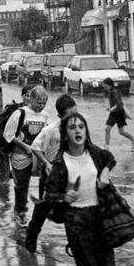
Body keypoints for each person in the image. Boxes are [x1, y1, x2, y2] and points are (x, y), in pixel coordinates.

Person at [44, 112, 118, 266]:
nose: (78, 131)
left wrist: (104, 173)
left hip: (98, 216)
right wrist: (63, 197)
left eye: (81, 127)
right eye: (72, 128)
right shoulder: (61, 163)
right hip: (75, 220)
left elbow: (109, 158)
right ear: (65, 134)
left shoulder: (94, 153)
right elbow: (49, 195)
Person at [24, 94, 77, 253]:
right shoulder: (51, 130)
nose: (74, 118)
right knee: (44, 207)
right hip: (51, 174)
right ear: (60, 116)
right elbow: (35, 147)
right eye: (70, 115)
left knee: (72, 209)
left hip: (70, 174)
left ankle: (74, 243)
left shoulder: (78, 129)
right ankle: (31, 237)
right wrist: (46, 163)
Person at [1, 85, 51, 221]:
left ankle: (41, 210)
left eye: (44, 103)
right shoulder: (20, 113)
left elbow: (46, 135)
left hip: (37, 156)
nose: (41, 106)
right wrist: (24, 146)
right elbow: (8, 135)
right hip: (20, 156)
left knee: (44, 182)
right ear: (31, 99)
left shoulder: (45, 116)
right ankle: (20, 210)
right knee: (21, 185)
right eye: (39, 102)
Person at [102, 78, 134, 149]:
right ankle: (107, 146)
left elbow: (119, 103)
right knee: (116, 131)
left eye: (105, 86)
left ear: (110, 85)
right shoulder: (110, 91)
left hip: (118, 112)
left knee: (117, 131)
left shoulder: (114, 92)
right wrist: (110, 107)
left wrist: (111, 109)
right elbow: (113, 102)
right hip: (115, 112)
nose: (104, 88)